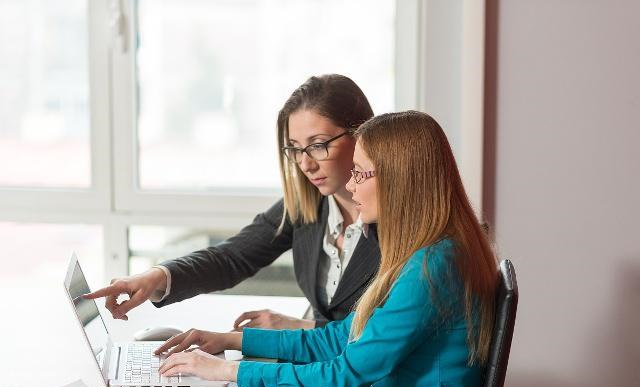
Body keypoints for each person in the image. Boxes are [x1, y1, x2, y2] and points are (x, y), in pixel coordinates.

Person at [153, 111, 499, 386]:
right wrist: (232, 341)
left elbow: (345, 373)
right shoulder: (439, 250)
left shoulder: (430, 267)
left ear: (400, 181)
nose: (351, 185)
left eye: (361, 174)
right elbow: (343, 338)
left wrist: (227, 372)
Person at [84, 74, 381, 329]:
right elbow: (232, 258)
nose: (305, 164)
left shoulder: (404, 221)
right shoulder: (307, 205)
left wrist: (302, 328)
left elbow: (390, 335)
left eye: (317, 145)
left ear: (362, 134)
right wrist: (154, 277)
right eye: (294, 148)